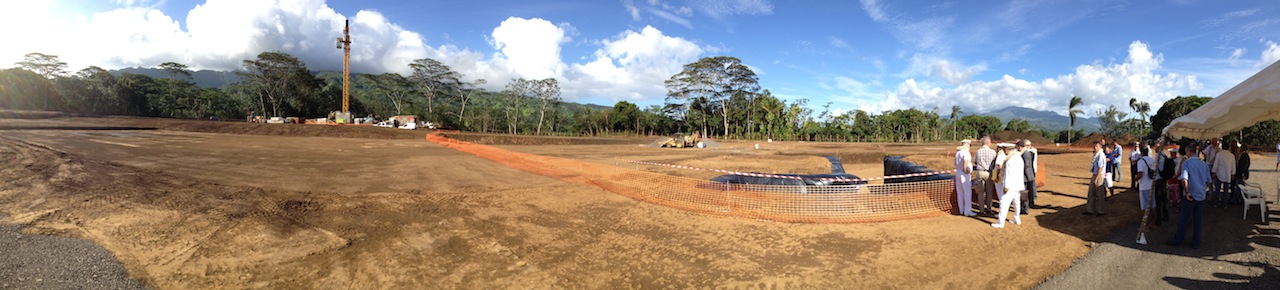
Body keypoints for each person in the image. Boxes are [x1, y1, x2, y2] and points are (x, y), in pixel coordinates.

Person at [1168, 140, 1211, 249]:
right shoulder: (1204, 164)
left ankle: (1178, 240)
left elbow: (1184, 178)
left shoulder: (1187, 162)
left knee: (1183, 219)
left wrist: (1187, 191)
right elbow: (1208, 180)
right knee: (1198, 221)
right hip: (1201, 195)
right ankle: (1196, 243)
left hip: (1190, 195)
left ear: (1188, 151)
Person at [992, 143, 1024, 228]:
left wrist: (1006, 187)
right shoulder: (1019, 157)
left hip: (1010, 185)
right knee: (1016, 202)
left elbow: (1008, 175)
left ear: (1007, 149)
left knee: (1003, 202)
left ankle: (1000, 222)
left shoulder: (1010, 160)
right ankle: (1017, 218)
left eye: (1004, 149)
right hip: (1018, 184)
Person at [1134, 145, 1157, 244]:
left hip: (1144, 186)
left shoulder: (1140, 161)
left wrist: (1135, 179)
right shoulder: (1151, 160)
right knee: (1152, 205)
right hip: (1151, 184)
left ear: (1141, 152)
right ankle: (1153, 222)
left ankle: (1145, 224)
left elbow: (1140, 174)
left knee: (1144, 207)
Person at [973, 137, 998, 215]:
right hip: (989, 173)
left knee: (980, 192)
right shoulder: (993, 152)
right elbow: (995, 163)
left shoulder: (978, 152)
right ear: (988, 143)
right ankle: (989, 208)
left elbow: (975, 161)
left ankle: (981, 210)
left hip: (980, 172)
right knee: (989, 192)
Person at [1211, 141, 1236, 208]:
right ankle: (1224, 204)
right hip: (1227, 174)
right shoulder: (1231, 155)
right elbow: (1233, 166)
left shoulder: (1219, 154)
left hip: (1219, 174)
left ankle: (1215, 203)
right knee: (1226, 190)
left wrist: (1213, 172)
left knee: (1217, 189)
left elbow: (1216, 164)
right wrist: (1233, 174)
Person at [1086, 140, 1108, 216]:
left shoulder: (1101, 155)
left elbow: (1100, 168)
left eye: (1096, 146)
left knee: (1099, 193)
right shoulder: (1096, 154)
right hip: (1095, 174)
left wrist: (1096, 178)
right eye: (1094, 146)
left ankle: (1101, 210)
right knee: (1091, 192)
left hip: (1099, 175)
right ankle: (1090, 209)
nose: (1095, 148)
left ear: (1100, 147)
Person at [954, 139, 975, 217]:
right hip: (964, 173)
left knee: (960, 193)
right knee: (967, 193)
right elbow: (966, 161)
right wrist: (966, 170)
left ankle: (961, 210)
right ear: (967, 145)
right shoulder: (966, 152)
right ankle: (967, 211)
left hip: (958, 173)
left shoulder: (957, 153)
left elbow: (955, 164)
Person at [1020, 139, 1038, 212]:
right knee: (1030, 189)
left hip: (1027, 174)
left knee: (1026, 190)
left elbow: (1027, 165)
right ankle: (1030, 203)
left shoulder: (1027, 153)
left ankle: (1026, 206)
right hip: (1031, 173)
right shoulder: (1032, 152)